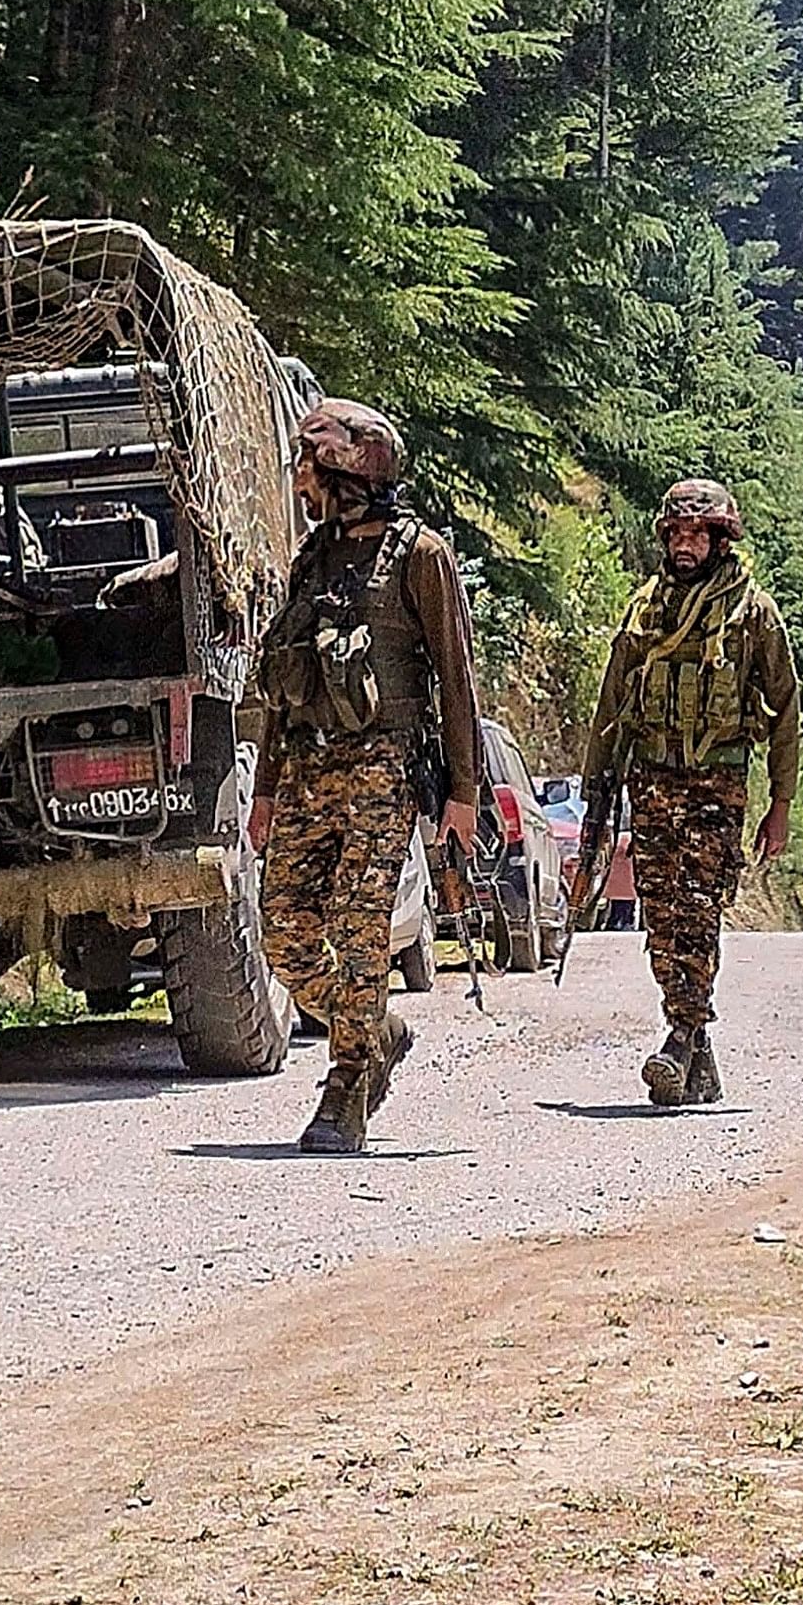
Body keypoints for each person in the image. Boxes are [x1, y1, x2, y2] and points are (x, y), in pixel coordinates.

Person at [253, 398, 485, 1155]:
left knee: (358, 935)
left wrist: (462, 792)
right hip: (308, 769)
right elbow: (285, 686)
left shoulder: (420, 554)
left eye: (306, 466)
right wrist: (263, 791)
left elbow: (455, 677)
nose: (297, 481)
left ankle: (346, 1086)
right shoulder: (311, 560)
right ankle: (375, 1028)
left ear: (344, 470)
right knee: (283, 933)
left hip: (382, 769)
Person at [578, 478, 803, 1109]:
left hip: (716, 784)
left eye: (697, 534)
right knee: (661, 913)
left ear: (719, 539)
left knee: (699, 909)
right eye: (677, 533)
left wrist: (779, 804)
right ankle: (696, 1051)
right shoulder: (645, 609)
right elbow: (612, 702)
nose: (684, 545)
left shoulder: (750, 611)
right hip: (650, 778)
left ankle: (679, 1037)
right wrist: (595, 787)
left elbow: (785, 709)